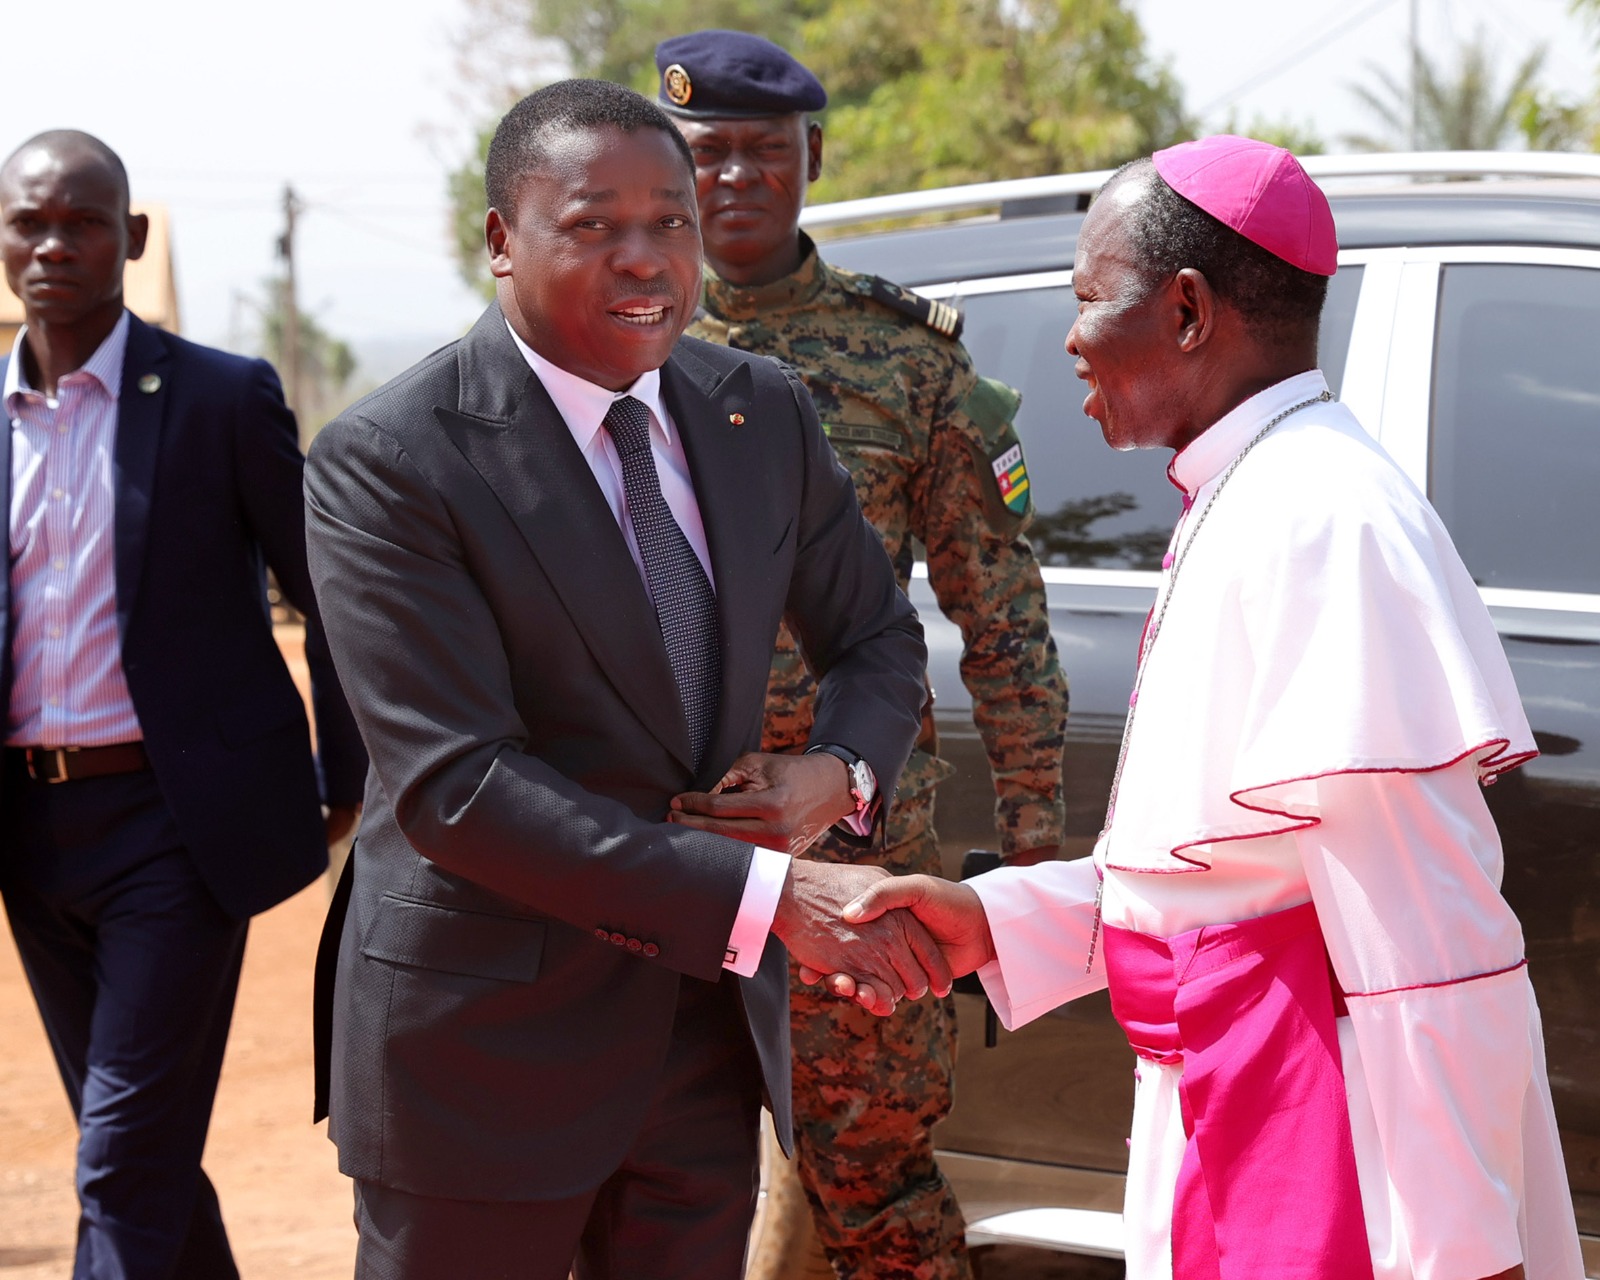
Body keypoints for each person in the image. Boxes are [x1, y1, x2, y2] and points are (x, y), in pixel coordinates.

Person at [836, 136, 1585, 1280]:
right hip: (1237, 1094)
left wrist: (1459, 1246)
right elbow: (1219, 876)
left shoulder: (1321, 513)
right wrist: (993, 917)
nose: (1070, 344)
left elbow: (1424, 936)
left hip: (1326, 1134)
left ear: (1186, 309)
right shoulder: (1251, 488)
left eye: (1088, 300)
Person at [303, 79, 949, 1280]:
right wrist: (765, 898)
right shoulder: (391, 461)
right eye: (594, 225)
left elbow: (876, 637)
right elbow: (457, 785)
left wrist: (834, 772)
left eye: (672, 222)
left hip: (698, 1045)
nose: (644, 259)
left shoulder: (760, 412)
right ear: (502, 241)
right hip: (482, 1049)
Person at [653, 30, 1069, 1278]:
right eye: (703, 154)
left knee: (875, 1183)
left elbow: (999, 613)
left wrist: (1035, 854)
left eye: (760, 153)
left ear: (812, 157)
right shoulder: (602, 349)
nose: (731, 180)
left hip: (856, 852)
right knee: (638, 1168)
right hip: (651, 843)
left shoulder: (907, 358)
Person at [0, 130, 365, 1280]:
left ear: (132, 237)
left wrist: (346, 776)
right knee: (145, 1157)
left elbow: (329, 593)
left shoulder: (216, 397)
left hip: (178, 826)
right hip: (28, 833)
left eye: (83, 221)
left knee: (117, 1161)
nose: (54, 245)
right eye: (29, 222)